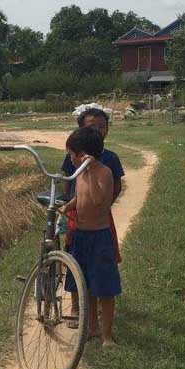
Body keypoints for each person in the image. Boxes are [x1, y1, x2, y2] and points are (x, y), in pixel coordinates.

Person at [59, 126, 121, 344]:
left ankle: (106, 335)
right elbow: (80, 197)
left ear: (84, 155)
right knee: (86, 286)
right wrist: (68, 206)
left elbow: (97, 200)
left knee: (104, 288)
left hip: (99, 237)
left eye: (71, 155)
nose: (70, 159)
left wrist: (90, 172)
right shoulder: (80, 175)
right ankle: (92, 328)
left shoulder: (103, 173)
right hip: (81, 237)